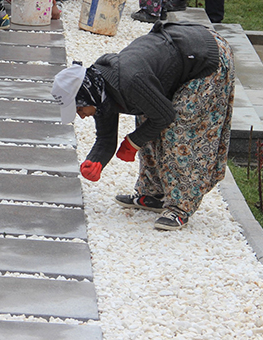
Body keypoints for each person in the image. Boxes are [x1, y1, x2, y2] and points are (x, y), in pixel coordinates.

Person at [51, 22, 235, 231]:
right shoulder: (99, 90)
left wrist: (132, 142)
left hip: (207, 57)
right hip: (180, 54)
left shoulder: (129, 81)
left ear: (86, 97)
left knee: (180, 130)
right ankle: (153, 193)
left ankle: (180, 207)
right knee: (147, 119)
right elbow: (106, 138)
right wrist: (95, 161)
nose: (81, 116)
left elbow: (166, 115)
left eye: (79, 109)